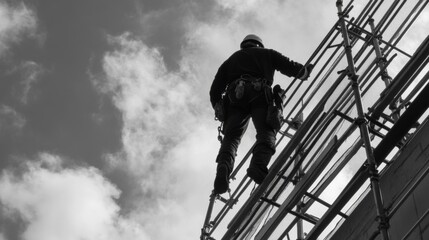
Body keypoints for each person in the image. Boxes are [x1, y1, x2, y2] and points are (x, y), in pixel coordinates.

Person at [209, 34, 313, 194]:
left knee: (232, 138)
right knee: (267, 132)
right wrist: (304, 72)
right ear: (259, 45)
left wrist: (218, 106)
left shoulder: (230, 61)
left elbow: (215, 90)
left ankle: (223, 168)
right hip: (259, 94)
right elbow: (289, 66)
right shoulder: (267, 54)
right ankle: (257, 167)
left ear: (243, 45)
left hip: (235, 98)